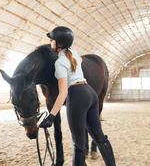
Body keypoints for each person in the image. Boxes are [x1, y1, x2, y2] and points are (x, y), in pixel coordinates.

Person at [39, 26, 116, 166]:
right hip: (90, 93)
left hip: (77, 96)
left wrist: (51, 117)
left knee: (78, 145)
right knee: (100, 138)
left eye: (52, 40)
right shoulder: (74, 52)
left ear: (59, 44)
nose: (50, 42)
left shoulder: (60, 63)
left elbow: (63, 94)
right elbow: (76, 63)